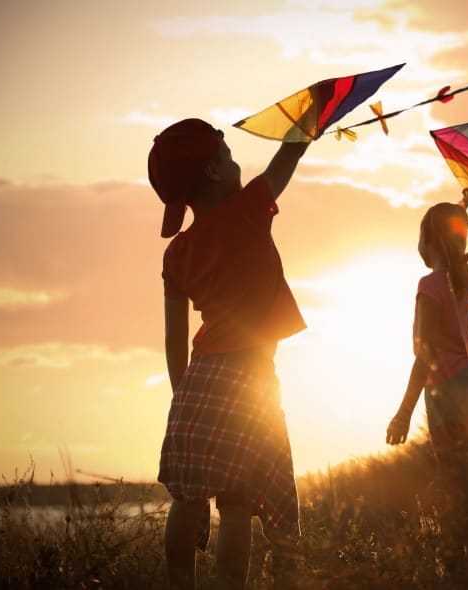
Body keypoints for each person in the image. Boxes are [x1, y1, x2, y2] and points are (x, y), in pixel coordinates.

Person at [148, 118, 309, 590]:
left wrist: (183, 399)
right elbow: (289, 155)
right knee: (237, 504)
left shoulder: (176, 254)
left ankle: (180, 582)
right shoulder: (249, 209)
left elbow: (175, 342)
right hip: (250, 379)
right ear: (216, 172)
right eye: (229, 154)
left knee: (188, 498)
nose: (238, 162)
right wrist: (307, 119)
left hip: (195, 384)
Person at [386, 181, 468, 469]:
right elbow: (450, 236)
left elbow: (426, 355)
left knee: (460, 479)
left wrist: (403, 413)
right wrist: (463, 207)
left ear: (429, 240)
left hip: (449, 390)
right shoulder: (465, 278)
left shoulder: (430, 286)